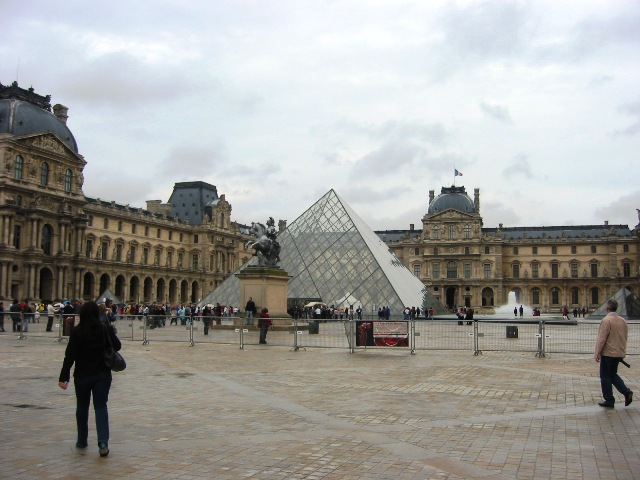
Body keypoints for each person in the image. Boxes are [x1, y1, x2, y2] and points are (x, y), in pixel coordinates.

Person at [58, 301, 122, 457]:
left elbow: (70, 356)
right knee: (100, 407)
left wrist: (63, 376)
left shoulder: (76, 332)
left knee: (82, 407)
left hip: (82, 375)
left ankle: (82, 440)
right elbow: (117, 346)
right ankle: (103, 443)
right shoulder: (104, 329)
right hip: (102, 375)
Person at [594, 299, 633, 408]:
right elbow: (624, 336)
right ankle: (626, 392)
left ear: (607, 308)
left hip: (608, 353)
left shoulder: (606, 320)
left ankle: (609, 400)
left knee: (605, 376)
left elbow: (602, 338)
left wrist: (597, 352)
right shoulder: (622, 320)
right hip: (618, 352)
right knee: (612, 374)